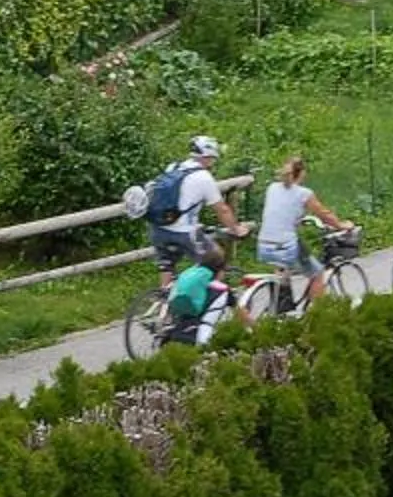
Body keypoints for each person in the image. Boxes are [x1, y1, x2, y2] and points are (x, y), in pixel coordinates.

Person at [254, 154, 354, 314]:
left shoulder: (271, 188)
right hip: (285, 244)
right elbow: (324, 214)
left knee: (281, 272)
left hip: (264, 244)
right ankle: (316, 315)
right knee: (317, 272)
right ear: (301, 173)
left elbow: (281, 211)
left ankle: (282, 309)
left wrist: (296, 219)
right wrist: (342, 225)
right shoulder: (304, 193)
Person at [151, 133, 247, 271]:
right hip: (184, 232)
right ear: (208, 156)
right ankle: (211, 291)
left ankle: (164, 290)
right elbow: (222, 209)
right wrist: (236, 229)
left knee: (166, 265)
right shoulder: (204, 177)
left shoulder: (173, 167)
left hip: (159, 228)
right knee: (217, 260)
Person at [159, 245, 233, 347]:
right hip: (199, 339)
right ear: (220, 270)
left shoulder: (193, 275)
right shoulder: (221, 289)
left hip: (176, 332)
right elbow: (240, 312)